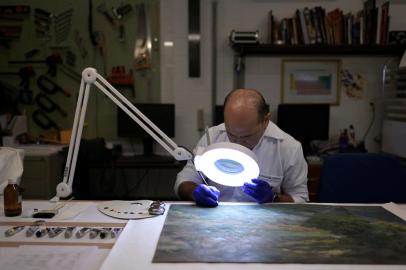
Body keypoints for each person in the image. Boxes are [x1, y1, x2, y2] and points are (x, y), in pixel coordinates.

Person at [174, 88, 308, 206]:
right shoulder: (213, 137)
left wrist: (273, 198)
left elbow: (301, 199)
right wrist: (194, 192)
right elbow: (184, 180)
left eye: (246, 137)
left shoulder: (288, 148)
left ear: (265, 121)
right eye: (231, 134)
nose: (237, 144)